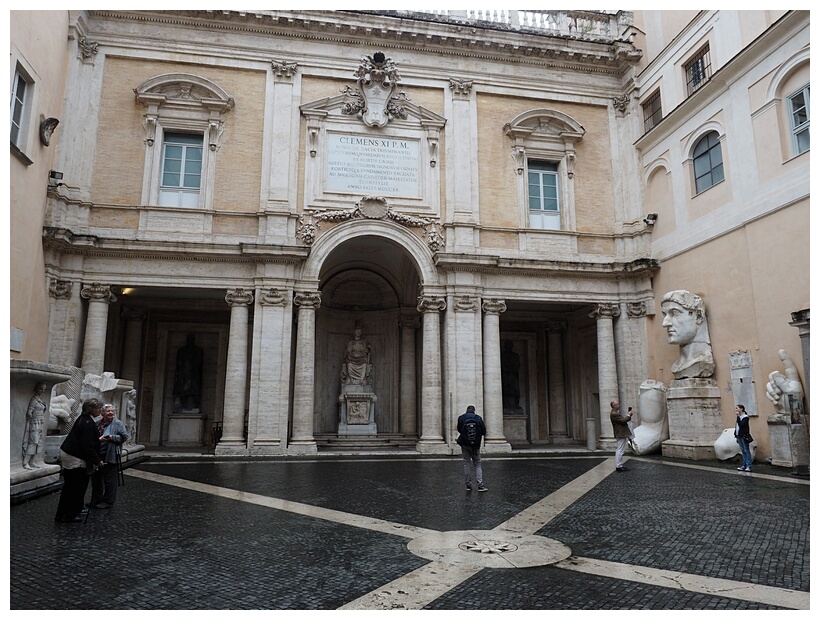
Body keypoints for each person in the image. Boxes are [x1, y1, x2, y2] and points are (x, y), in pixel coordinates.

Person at [54, 398, 105, 523]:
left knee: (71, 487)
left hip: (71, 455)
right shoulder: (88, 423)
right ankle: (69, 515)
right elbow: (87, 445)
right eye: (98, 408)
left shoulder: (84, 420)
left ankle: (64, 514)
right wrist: (98, 461)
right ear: (91, 409)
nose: (100, 410)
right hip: (75, 458)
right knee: (75, 487)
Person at [660, 290, 715, 379]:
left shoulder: (703, 362)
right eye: (664, 315)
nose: (665, 323)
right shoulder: (676, 366)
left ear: (698, 316)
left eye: (675, 313)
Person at [89, 403, 130, 509]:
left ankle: (108, 501)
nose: (111, 413)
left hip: (110, 454)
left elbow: (125, 437)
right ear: (102, 413)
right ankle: (96, 500)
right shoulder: (98, 423)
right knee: (96, 479)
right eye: (108, 411)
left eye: (112, 411)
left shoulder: (118, 424)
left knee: (109, 479)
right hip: (98, 455)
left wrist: (112, 437)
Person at [456, 405, 487, 492]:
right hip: (475, 445)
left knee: (466, 463)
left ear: (467, 410)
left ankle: (468, 484)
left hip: (464, 444)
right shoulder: (478, 418)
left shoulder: (461, 418)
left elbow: (459, 429)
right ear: (474, 410)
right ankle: (480, 485)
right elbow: (484, 431)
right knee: (477, 464)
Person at [173, 333, 204, 411]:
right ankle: (182, 406)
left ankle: (194, 406)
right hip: (183, 375)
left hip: (194, 375)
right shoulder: (181, 351)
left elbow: (199, 363)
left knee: (194, 392)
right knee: (182, 391)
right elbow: (178, 363)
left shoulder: (198, 350)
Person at [22, 382, 48, 469]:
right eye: (41, 389)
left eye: (44, 389)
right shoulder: (34, 400)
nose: (42, 391)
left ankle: (32, 461)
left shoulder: (40, 400)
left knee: (38, 443)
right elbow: (29, 412)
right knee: (33, 441)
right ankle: (25, 462)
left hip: (40, 422)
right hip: (34, 423)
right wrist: (31, 417)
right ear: (37, 389)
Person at [610, 400, 632, 472]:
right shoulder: (614, 414)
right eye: (617, 404)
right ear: (614, 406)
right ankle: (618, 466)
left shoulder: (615, 413)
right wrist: (629, 415)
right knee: (620, 450)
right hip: (620, 433)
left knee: (620, 449)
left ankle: (619, 465)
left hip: (620, 433)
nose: (619, 405)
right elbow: (623, 421)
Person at [501, 340, 521, 411]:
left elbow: (517, 364)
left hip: (513, 376)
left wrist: (512, 371)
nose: (508, 347)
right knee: (505, 391)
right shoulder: (502, 355)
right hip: (505, 376)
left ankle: (516, 405)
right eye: (507, 346)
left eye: (510, 346)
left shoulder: (515, 355)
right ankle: (505, 406)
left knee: (515, 391)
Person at [734, 404, 753, 472]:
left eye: (737, 408)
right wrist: (736, 435)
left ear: (741, 409)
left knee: (746, 450)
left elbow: (741, 424)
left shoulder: (745, 417)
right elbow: (736, 426)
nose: (736, 409)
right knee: (742, 451)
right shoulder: (739, 417)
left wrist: (738, 416)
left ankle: (748, 465)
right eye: (736, 408)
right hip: (739, 435)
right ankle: (744, 465)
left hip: (744, 435)